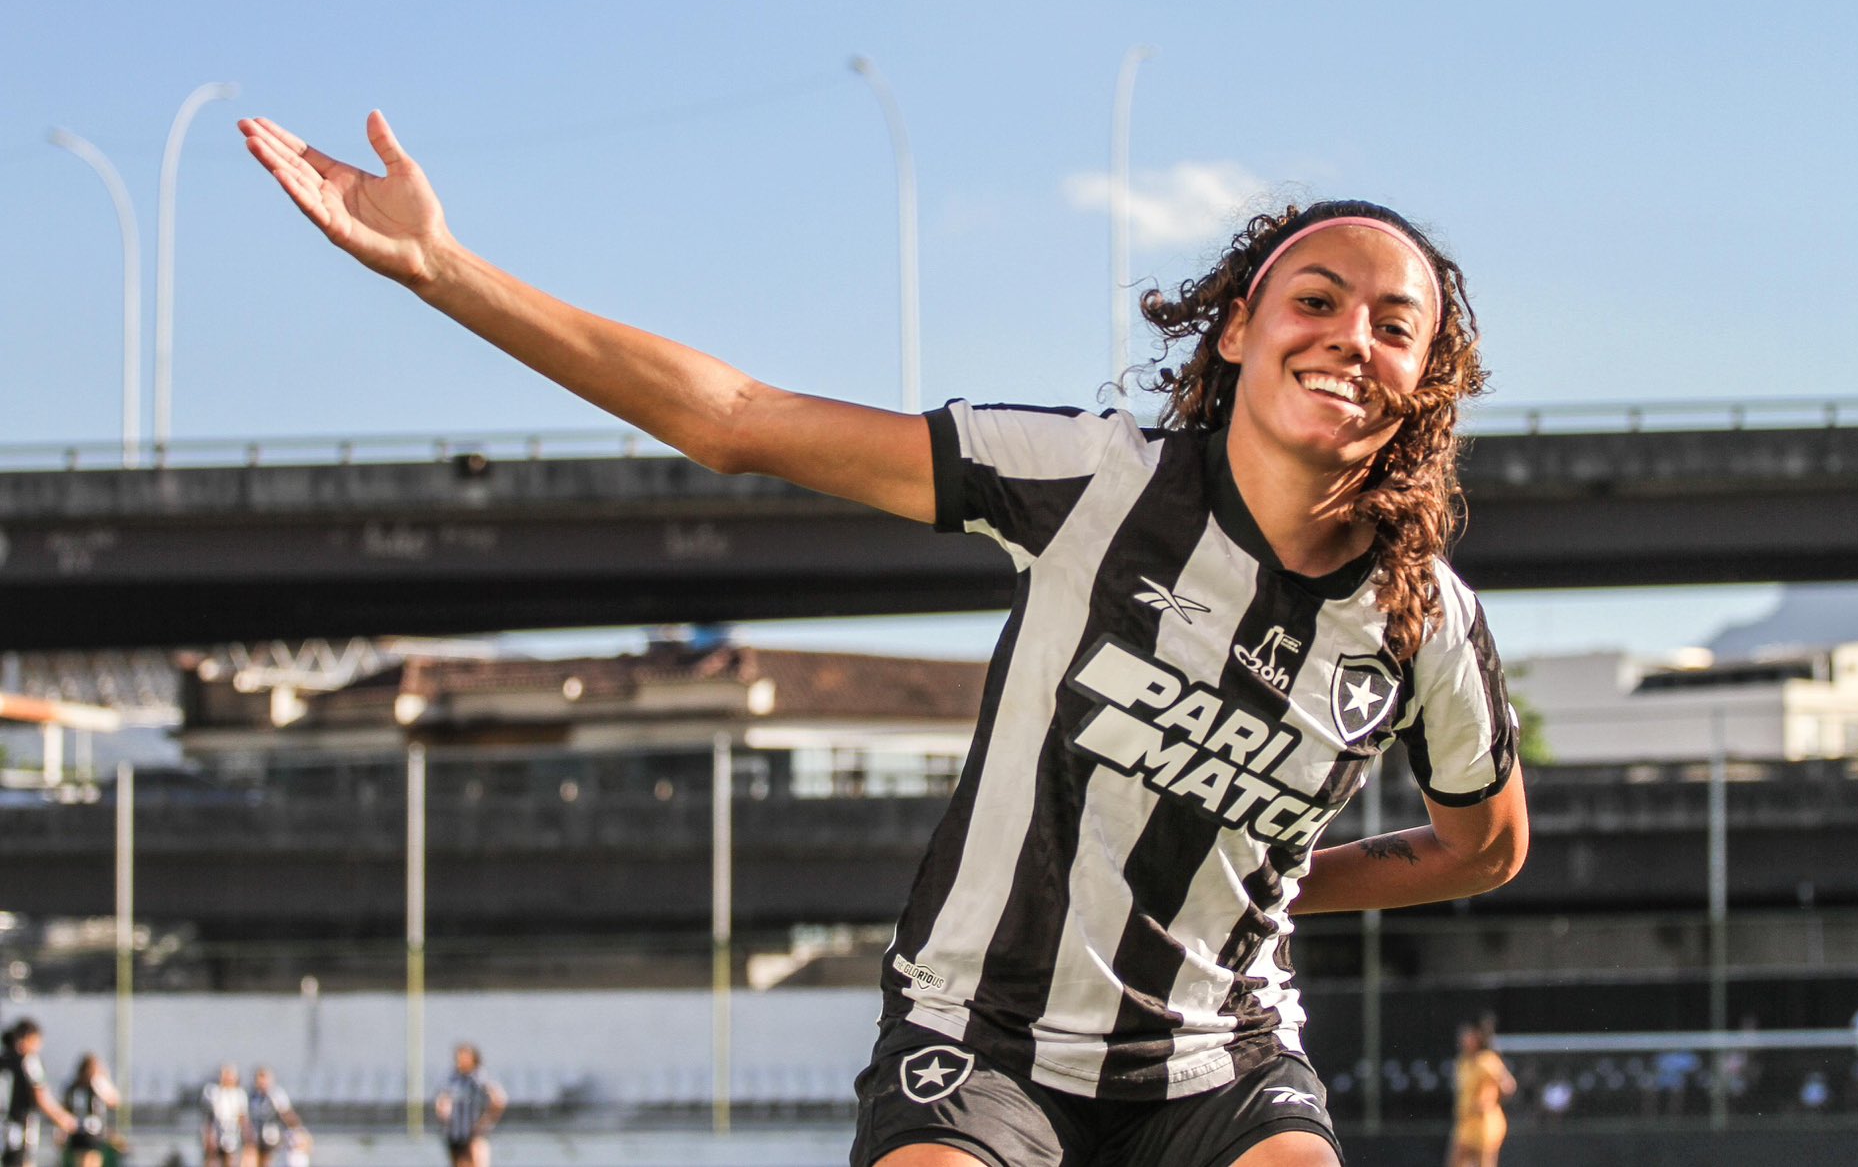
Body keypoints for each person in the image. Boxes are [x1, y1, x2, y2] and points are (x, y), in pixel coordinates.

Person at [241, 113, 1529, 1167]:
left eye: (1391, 322)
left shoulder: (1425, 621)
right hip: (978, 1045)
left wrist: (1280, 871)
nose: (1349, 335)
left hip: (1222, 1063)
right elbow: (739, 417)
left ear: (1420, 381)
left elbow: (1484, 846)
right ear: (1239, 330)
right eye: (1315, 297)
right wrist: (442, 266)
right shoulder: (1093, 480)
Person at [1, 1021, 77, 1167]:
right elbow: (41, 1095)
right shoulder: (30, 1061)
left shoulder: (4, 1059)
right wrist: (63, 1118)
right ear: (29, 1038)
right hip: (20, 1126)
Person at [1447, 1024, 1515, 1167]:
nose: (1464, 1041)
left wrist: (1490, 1101)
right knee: (1456, 1162)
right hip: (1466, 1123)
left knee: (1484, 1163)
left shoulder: (1487, 1061)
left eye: (1468, 1037)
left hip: (1484, 1123)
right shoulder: (1462, 1062)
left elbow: (1508, 1086)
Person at [434, 1044, 505, 1167]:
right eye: (458, 1058)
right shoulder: (452, 1078)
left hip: (474, 1134)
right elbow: (442, 1100)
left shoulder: (480, 1078)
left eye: (464, 1057)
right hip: (454, 1134)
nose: (460, 1061)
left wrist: (486, 1121)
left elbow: (498, 1100)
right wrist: (443, 1111)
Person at [61, 1053, 120, 1167]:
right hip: (80, 1132)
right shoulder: (74, 1088)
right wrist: (63, 1131)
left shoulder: (99, 1085)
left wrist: (102, 1083)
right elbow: (66, 1108)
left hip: (96, 1133)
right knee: (84, 1161)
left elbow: (114, 1101)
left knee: (95, 1160)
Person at [247, 1068, 306, 1167]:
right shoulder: (252, 1095)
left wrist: (299, 1132)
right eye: (259, 1078)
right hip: (256, 1134)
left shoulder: (276, 1094)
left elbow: (287, 1114)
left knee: (268, 1159)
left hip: (272, 1136)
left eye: (263, 1078)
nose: (261, 1082)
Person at [202, 1064, 252, 1167]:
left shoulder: (239, 1094)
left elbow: (242, 1116)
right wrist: (208, 1134)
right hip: (216, 1130)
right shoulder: (213, 1091)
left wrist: (246, 1133)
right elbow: (209, 1115)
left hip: (231, 1131)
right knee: (212, 1159)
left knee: (230, 1157)